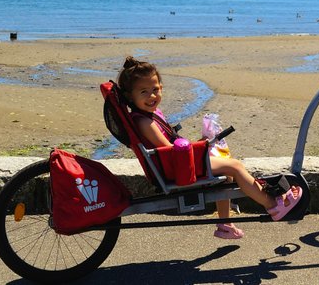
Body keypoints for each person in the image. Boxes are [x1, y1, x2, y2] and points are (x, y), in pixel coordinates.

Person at [117, 56, 302, 239]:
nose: (152, 96)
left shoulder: (150, 114)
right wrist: (198, 148)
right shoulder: (143, 122)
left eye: (155, 89)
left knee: (226, 175)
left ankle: (225, 225)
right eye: (144, 92)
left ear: (161, 88)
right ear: (129, 96)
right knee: (235, 166)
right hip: (177, 169)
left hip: (175, 164)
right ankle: (272, 205)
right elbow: (169, 151)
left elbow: (173, 146)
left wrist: (200, 143)